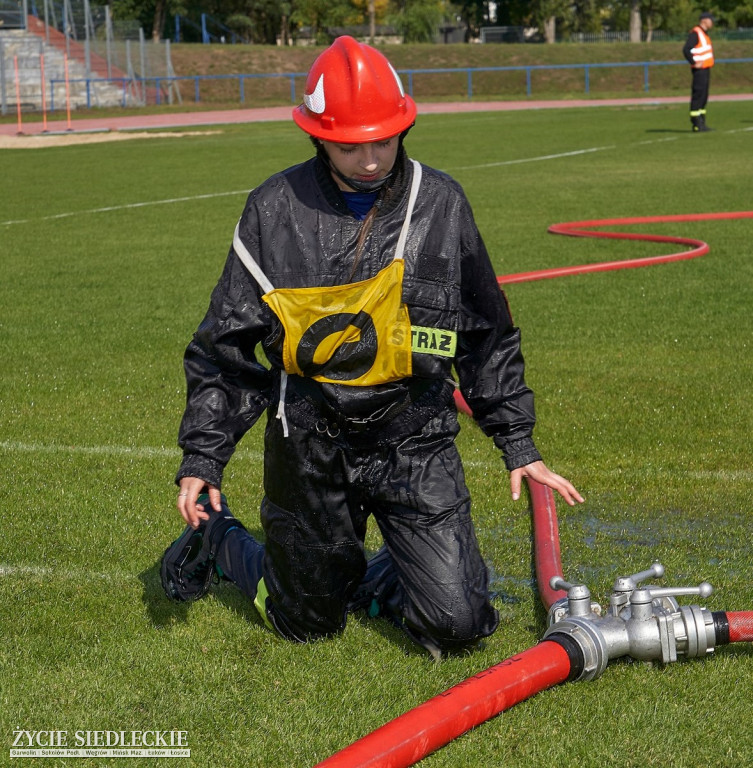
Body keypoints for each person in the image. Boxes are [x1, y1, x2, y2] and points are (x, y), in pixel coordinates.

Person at [160, 36, 583, 658]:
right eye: (350, 145)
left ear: (403, 127)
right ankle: (223, 542)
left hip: (414, 437)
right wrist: (204, 457)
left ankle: (407, 562)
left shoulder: (440, 203)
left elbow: (486, 331)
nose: (369, 159)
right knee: (305, 624)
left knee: (458, 625)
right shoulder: (273, 210)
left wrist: (517, 442)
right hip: (307, 441)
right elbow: (224, 348)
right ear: (316, 138)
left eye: (382, 140)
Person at [683, 12, 715, 132]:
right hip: (699, 70)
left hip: (706, 68)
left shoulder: (704, 34)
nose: (712, 22)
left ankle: (702, 122)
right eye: (710, 19)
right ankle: (696, 123)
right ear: (704, 20)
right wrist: (693, 62)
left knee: (704, 96)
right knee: (698, 95)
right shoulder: (696, 33)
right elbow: (686, 49)